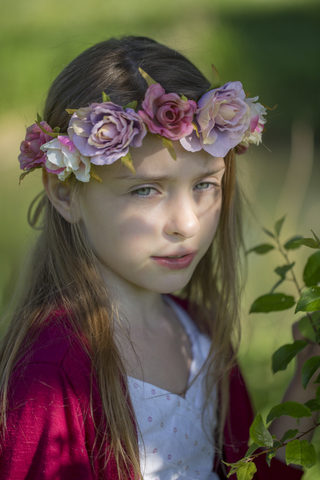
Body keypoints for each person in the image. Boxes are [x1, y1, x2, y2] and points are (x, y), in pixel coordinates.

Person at [0, 36, 309, 479]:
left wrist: (308, 379)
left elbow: (247, 473)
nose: (186, 224)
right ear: (66, 194)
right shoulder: (51, 374)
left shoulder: (200, 333)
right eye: (145, 189)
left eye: (204, 185)